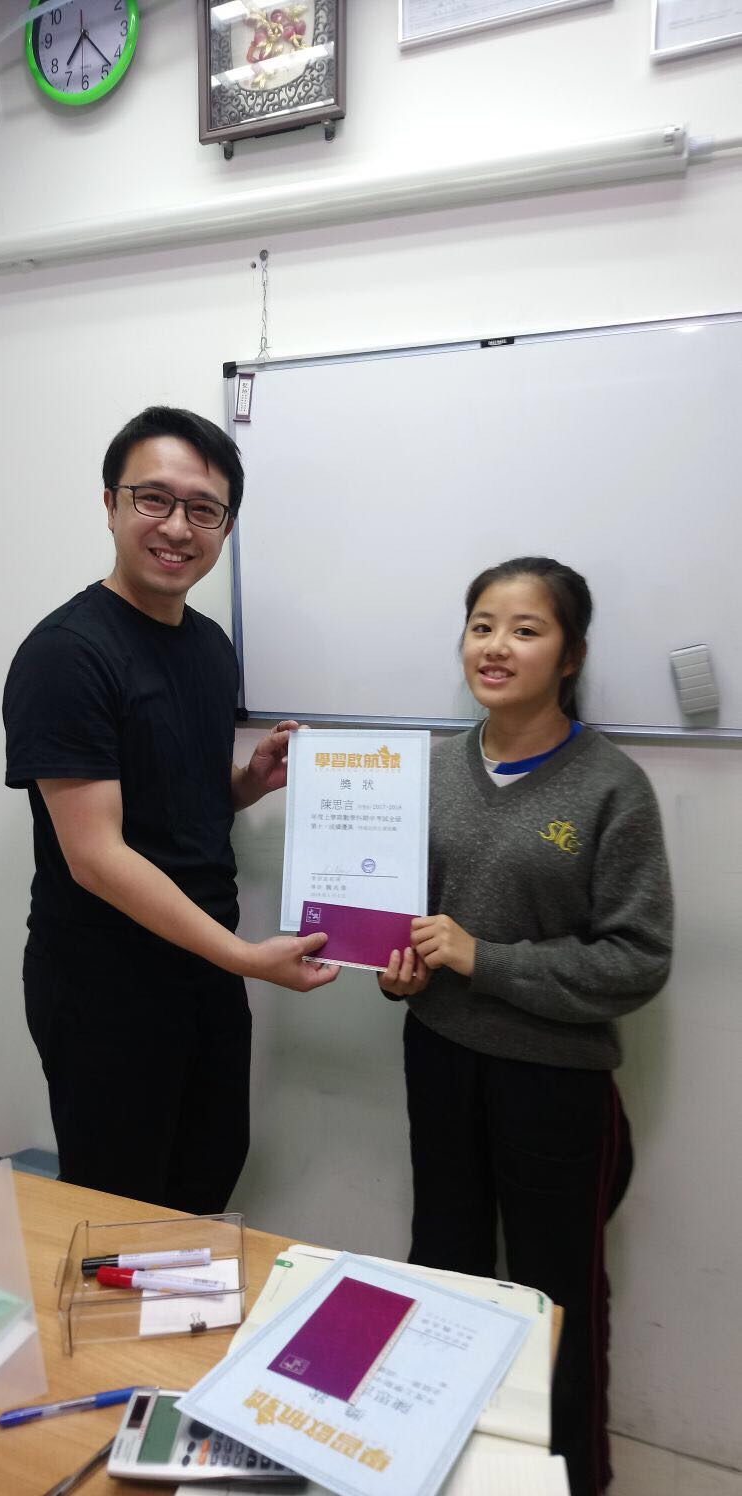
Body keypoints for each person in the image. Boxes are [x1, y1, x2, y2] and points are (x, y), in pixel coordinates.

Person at [378, 556, 672, 1496]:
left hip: (555, 1082)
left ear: (571, 655)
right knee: (445, 1269)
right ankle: (441, 1466)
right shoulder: (431, 771)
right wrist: (398, 971)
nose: (496, 647)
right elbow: (404, 924)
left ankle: (573, 1479)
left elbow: (638, 961)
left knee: (556, 1296)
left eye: (525, 629)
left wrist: (485, 959)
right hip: (439, 1058)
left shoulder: (611, 787)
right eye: (481, 626)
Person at [3, 406, 337, 1213]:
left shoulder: (209, 645)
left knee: (206, 1177)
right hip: (106, 985)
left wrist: (246, 783)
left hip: (205, 969)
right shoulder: (66, 655)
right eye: (153, 498)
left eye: (204, 509)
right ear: (110, 504)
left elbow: (173, 788)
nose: (178, 526)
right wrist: (244, 957)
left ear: (226, 526)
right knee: (120, 1208)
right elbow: (97, 856)